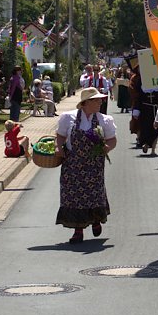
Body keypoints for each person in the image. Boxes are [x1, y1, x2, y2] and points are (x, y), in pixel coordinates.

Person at [54, 86, 117, 243]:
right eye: (96, 101)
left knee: (94, 194)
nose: (100, 103)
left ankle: (95, 220)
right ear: (85, 103)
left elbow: (112, 139)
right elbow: (60, 136)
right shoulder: (68, 118)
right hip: (73, 164)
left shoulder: (104, 120)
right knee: (74, 196)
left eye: (99, 100)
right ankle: (78, 230)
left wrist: (106, 148)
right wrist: (58, 147)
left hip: (94, 165)